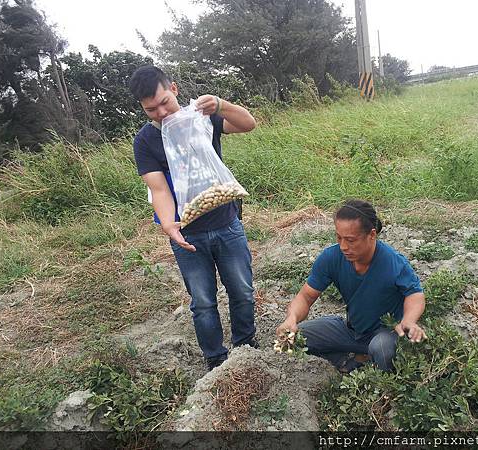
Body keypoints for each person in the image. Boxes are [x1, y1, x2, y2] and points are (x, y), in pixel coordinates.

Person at [129, 65, 258, 371]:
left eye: (164, 102)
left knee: (242, 290)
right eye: (151, 109)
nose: (161, 112)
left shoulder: (201, 116)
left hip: (227, 223)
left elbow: (248, 123)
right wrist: (170, 226)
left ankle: (247, 348)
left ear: (173, 88)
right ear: (141, 108)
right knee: (202, 302)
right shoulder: (145, 141)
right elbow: (158, 189)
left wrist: (221, 103)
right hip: (188, 235)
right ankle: (215, 360)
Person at [276, 199, 427, 372]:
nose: (343, 246)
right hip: (352, 332)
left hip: (384, 334)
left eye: (350, 240)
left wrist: (408, 320)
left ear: (372, 235)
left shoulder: (393, 262)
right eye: (339, 238)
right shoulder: (331, 258)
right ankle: (347, 360)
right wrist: (291, 318)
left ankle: (370, 366)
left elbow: (415, 295)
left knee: (382, 350)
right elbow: (305, 296)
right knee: (296, 337)